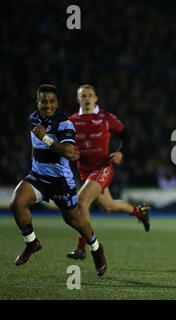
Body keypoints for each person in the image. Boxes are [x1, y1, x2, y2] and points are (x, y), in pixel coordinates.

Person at [10, 84, 107, 276]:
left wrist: (46, 138)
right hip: (38, 177)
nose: (48, 105)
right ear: (37, 102)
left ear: (57, 103)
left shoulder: (64, 123)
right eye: (44, 101)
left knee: (74, 220)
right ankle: (32, 243)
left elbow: (69, 151)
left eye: (52, 101)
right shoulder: (33, 118)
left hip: (60, 181)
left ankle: (96, 248)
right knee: (17, 203)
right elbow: (36, 145)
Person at [67, 84, 150, 260]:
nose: (87, 99)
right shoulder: (72, 121)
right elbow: (66, 144)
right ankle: (139, 212)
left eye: (90, 95)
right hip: (85, 172)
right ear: (78, 100)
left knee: (81, 202)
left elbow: (126, 135)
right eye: (83, 96)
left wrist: (120, 152)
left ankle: (82, 248)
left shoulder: (105, 117)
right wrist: (68, 151)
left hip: (102, 168)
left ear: (95, 98)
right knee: (108, 206)